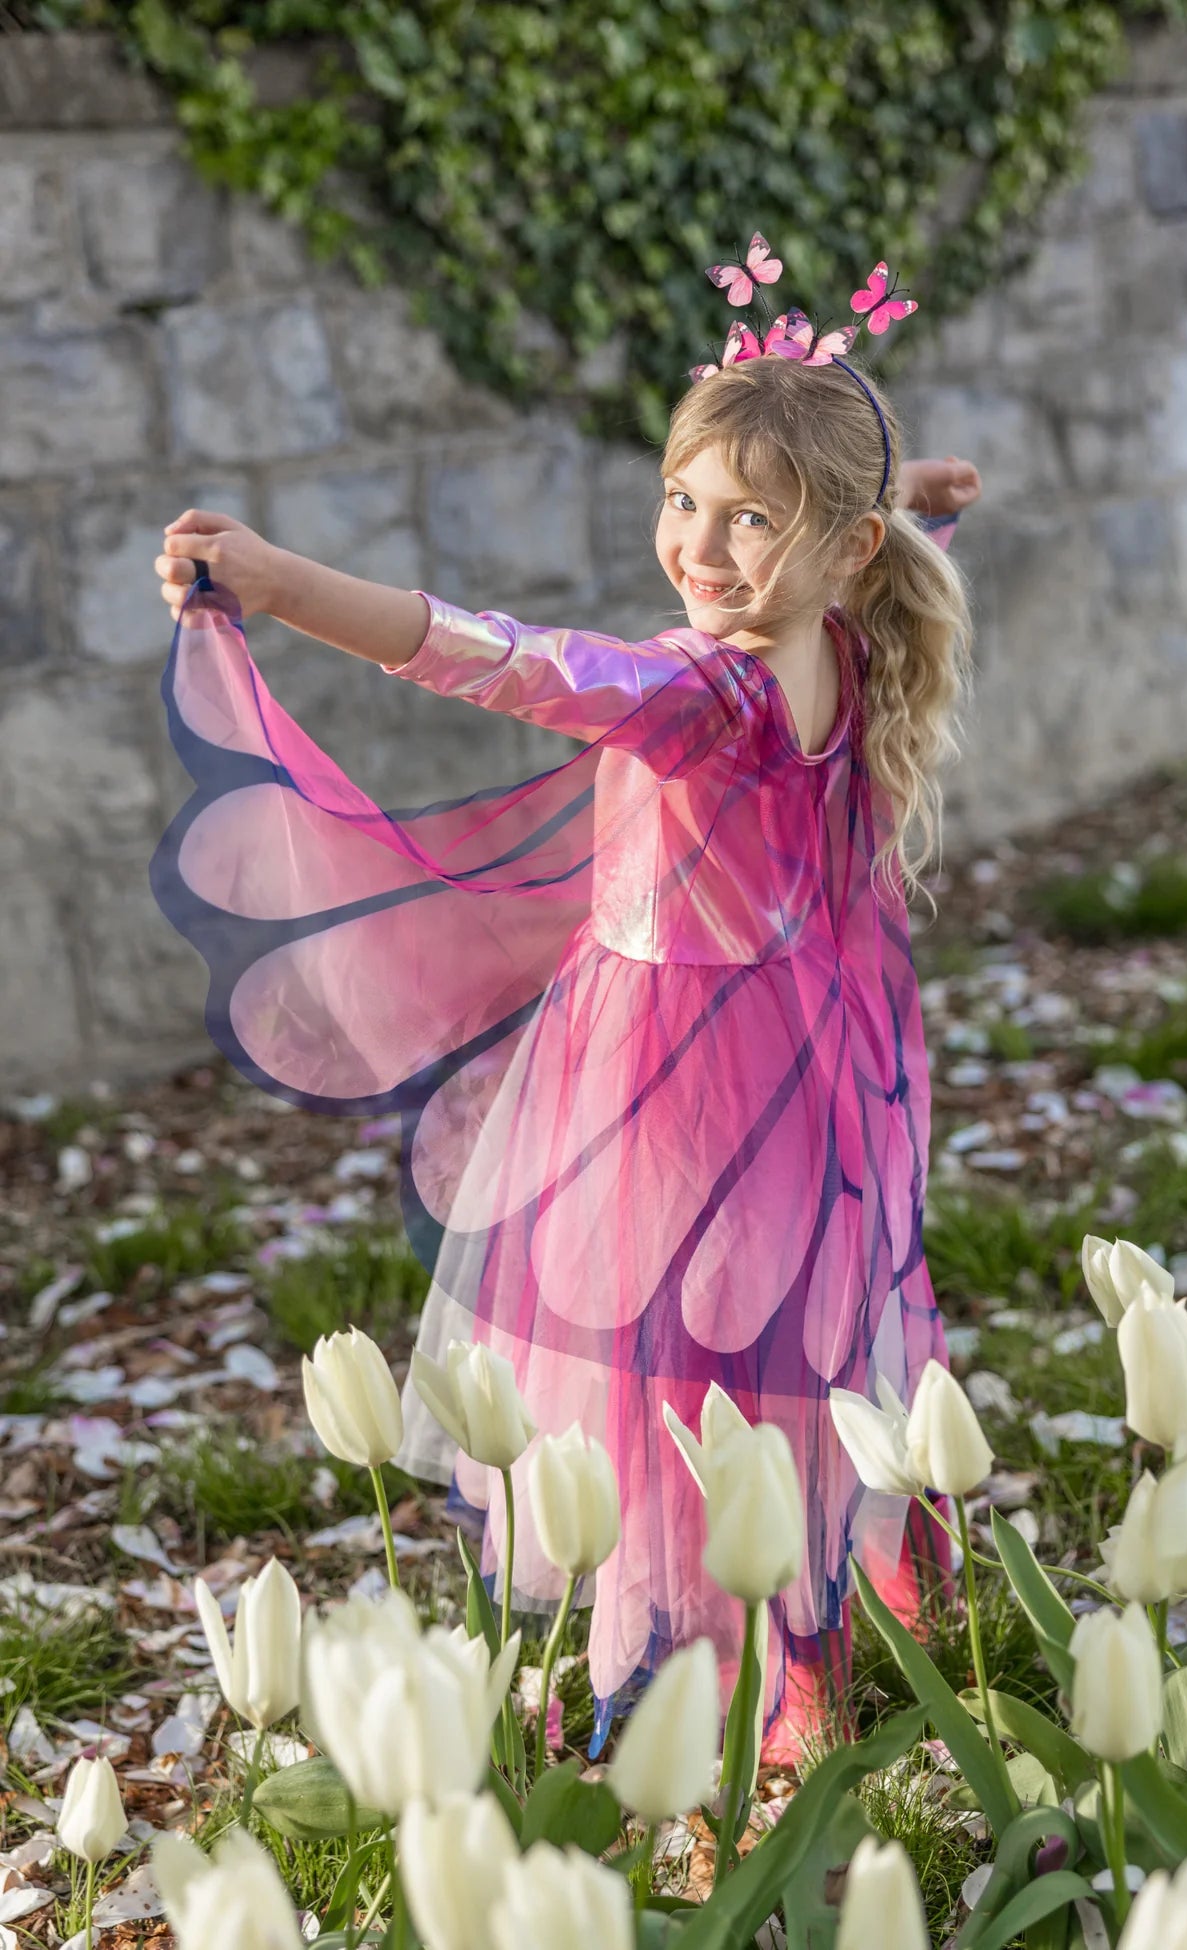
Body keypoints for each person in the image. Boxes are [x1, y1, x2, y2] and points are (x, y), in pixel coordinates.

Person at [150, 245, 981, 1764]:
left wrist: (274, 581)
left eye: (752, 518)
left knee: (660, 1370)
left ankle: (677, 1677)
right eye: (687, 502)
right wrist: (907, 498)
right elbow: (824, 549)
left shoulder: (700, 689)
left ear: (843, 546)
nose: (703, 547)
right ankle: (805, 1649)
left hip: (672, 1086)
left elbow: (504, 662)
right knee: (780, 1348)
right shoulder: (837, 643)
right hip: (807, 1064)